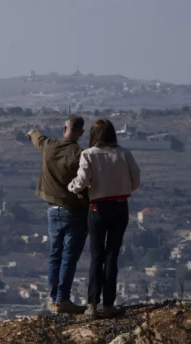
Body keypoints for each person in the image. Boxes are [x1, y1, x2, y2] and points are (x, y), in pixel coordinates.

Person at [68, 119, 140, 318]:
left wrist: (71, 187)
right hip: (120, 206)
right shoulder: (124, 153)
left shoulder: (88, 154)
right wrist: (121, 190)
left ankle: (92, 305)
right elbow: (136, 180)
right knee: (112, 255)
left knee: (96, 256)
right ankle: (109, 305)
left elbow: (81, 180)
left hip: (97, 208)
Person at [25, 115, 89, 314]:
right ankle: (63, 300)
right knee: (69, 257)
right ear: (81, 133)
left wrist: (32, 132)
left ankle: (54, 299)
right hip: (75, 212)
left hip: (53, 211)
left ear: (64, 129)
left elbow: (38, 138)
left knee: (55, 255)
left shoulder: (50, 147)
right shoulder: (81, 154)